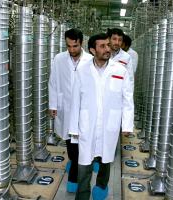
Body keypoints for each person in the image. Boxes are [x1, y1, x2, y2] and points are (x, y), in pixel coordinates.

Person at [69, 33, 134, 200]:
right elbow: (75, 101)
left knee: (106, 160)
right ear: (92, 50)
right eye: (103, 46)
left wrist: (127, 125)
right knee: (84, 164)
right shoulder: (82, 71)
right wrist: (73, 129)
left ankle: (101, 187)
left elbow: (127, 99)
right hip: (87, 124)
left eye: (108, 45)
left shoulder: (120, 70)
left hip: (109, 124)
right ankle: (82, 195)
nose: (108, 49)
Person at [48, 28, 92, 193]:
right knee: (70, 142)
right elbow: (53, 82)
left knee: (82, 142)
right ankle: (75, 167)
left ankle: (75, 176)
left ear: (82, 43)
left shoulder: (90, 59)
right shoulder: (59, 58)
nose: (72, 50)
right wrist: (53, 104)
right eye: (69, 46)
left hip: (84, 109)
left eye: (75, 46)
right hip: (65, 106)